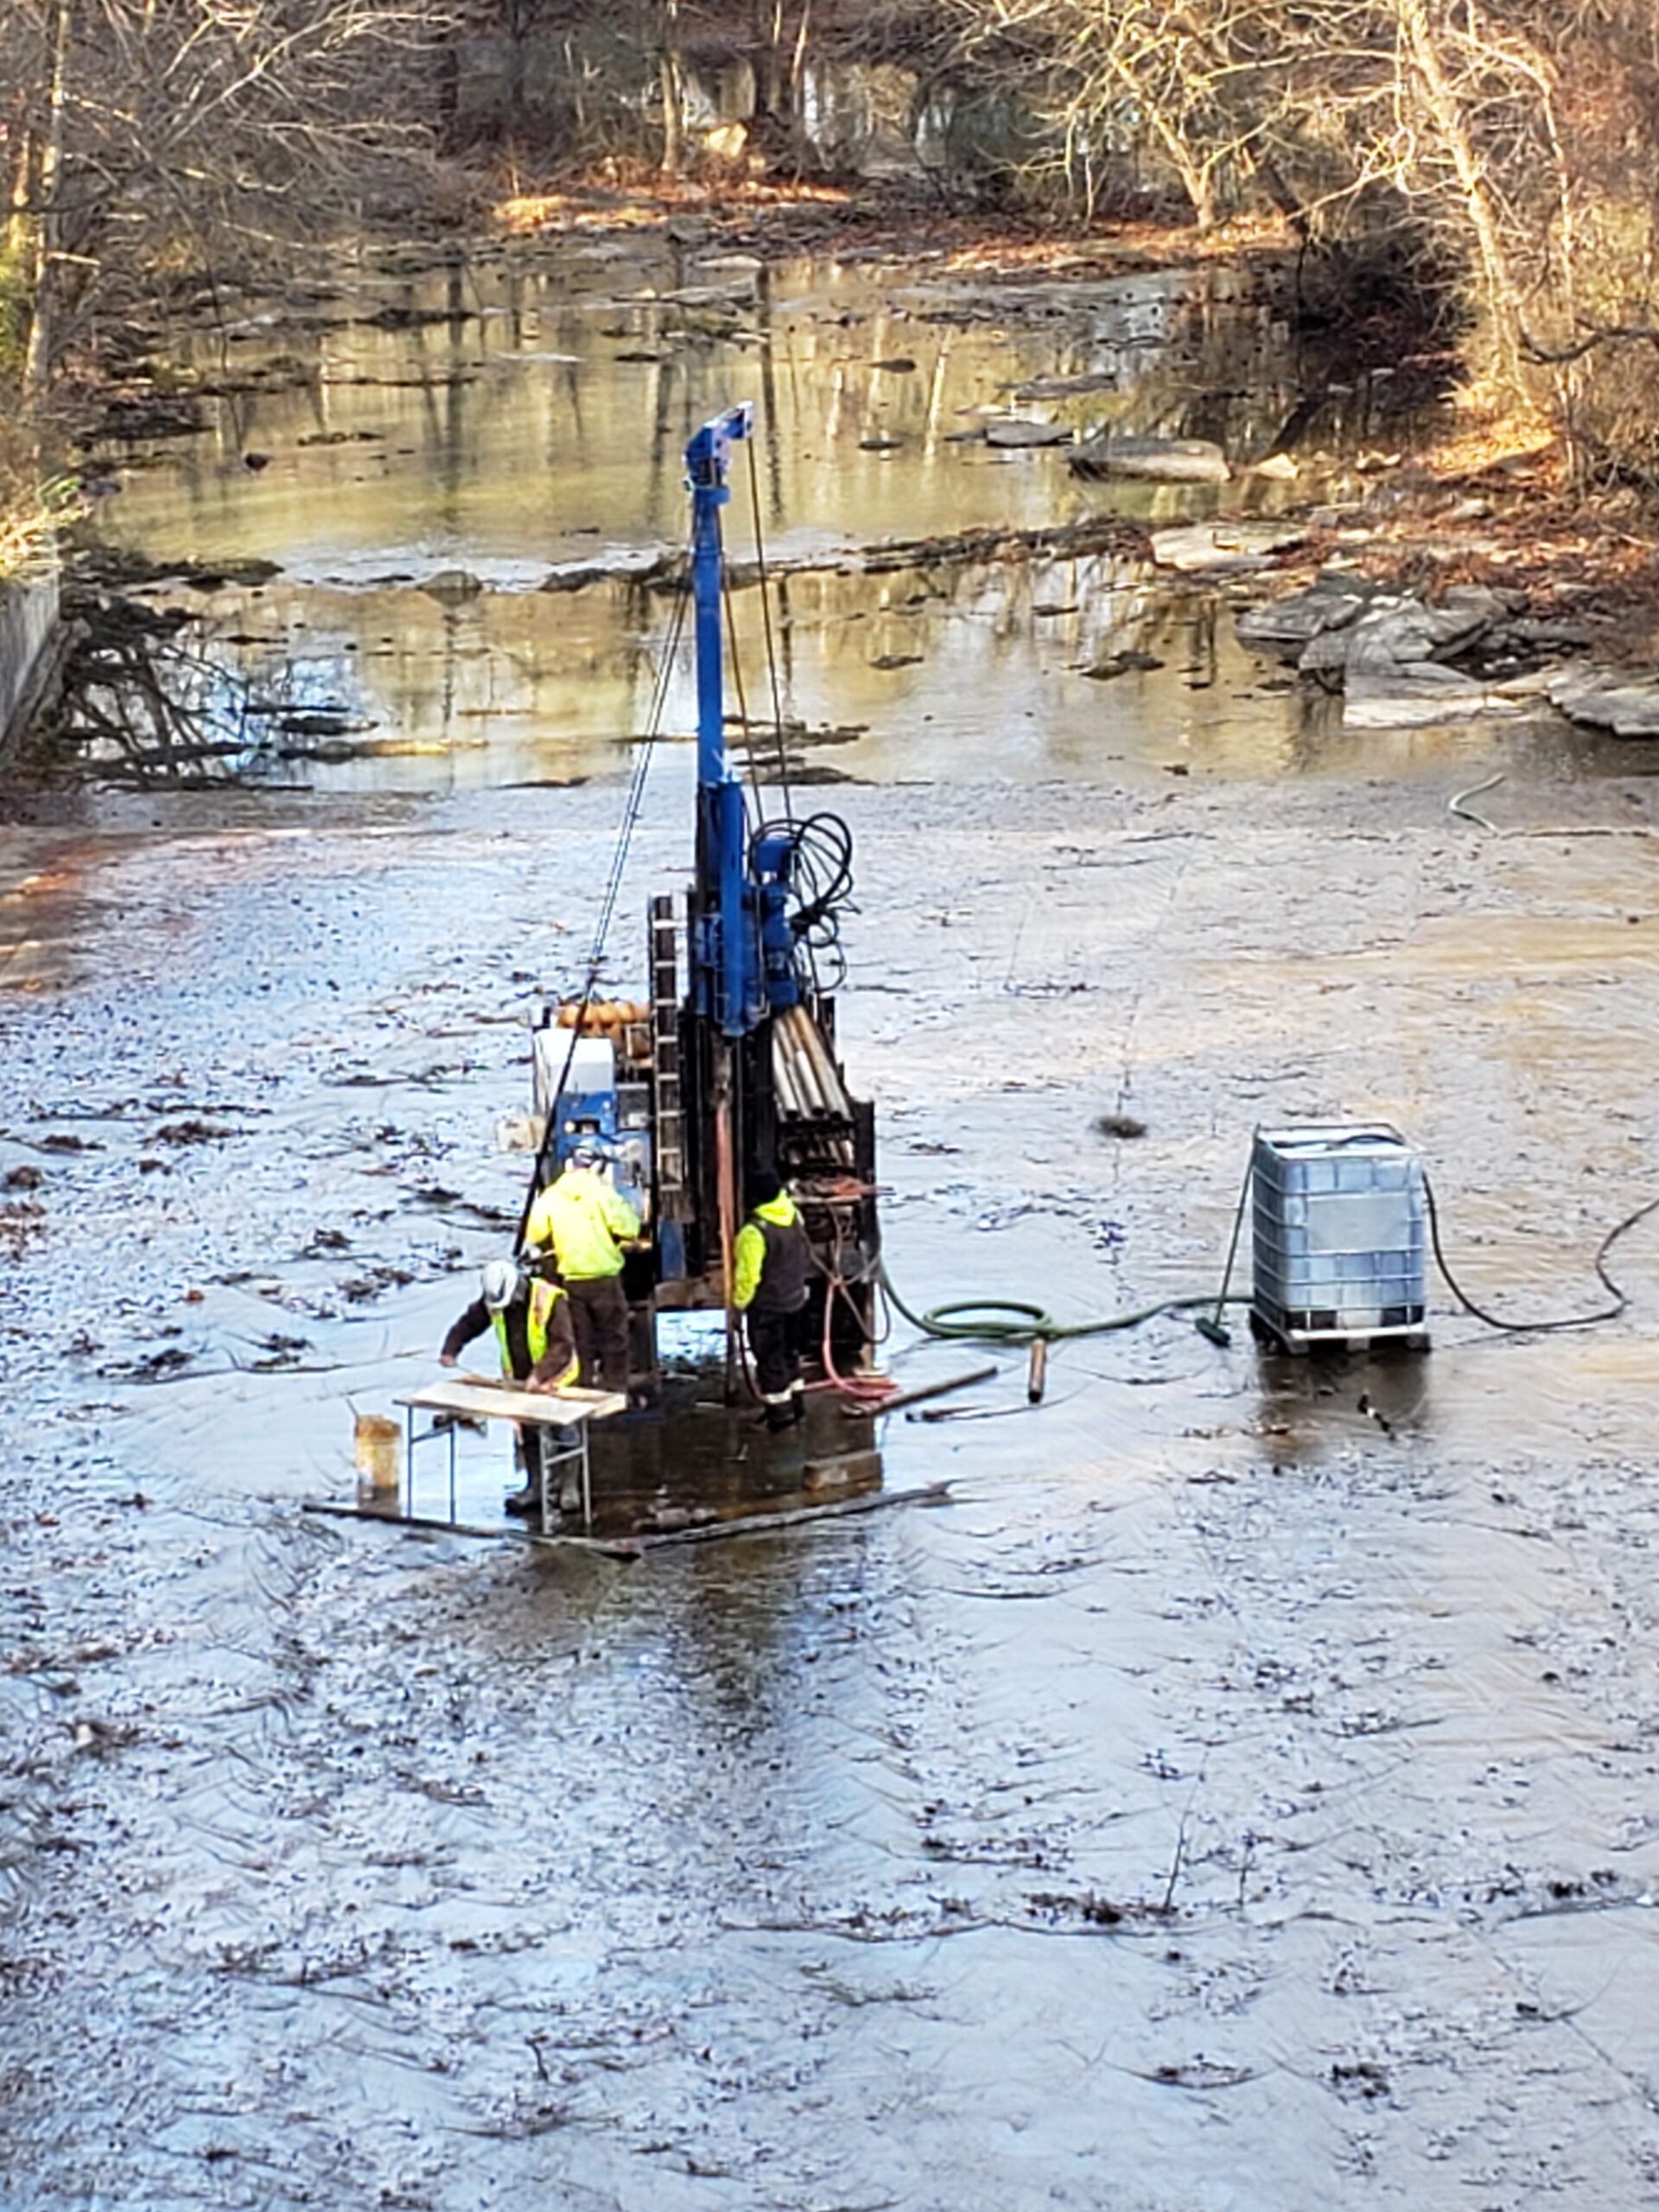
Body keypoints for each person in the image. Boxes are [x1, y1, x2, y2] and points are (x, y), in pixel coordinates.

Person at [440, 1258, 578, 1514]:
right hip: (520, 1380)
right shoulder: (495, 1301)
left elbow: (563, 1345)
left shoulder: (549, 1300)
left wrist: (540, 1375)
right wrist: (451, 1349)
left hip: (557, 1379)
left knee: (564, 1432)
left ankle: (569, 1488)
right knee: (529, 1433)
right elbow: (470, 1322)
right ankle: (535, 1487)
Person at [524, 1146, 641, 1393]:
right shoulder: (603, 1194)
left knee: (580, 1340)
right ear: (597, 1168)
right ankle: (614, 1389)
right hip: (604, 1278)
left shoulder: (552, 1196)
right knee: (614, 1337)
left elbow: (535, 1234)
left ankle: (583, 1389)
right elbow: (630, 1228)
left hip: (571, 1279)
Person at [733, 1167, 811, 1430]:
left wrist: (738, 1304)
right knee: (791, 1356)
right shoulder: (794, 1217)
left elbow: (748, 1277)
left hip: (768, 1307)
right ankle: (797, 1407)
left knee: (770, 1361)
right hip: (795, 1301)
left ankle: (779, 1417)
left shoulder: (754, 1232)